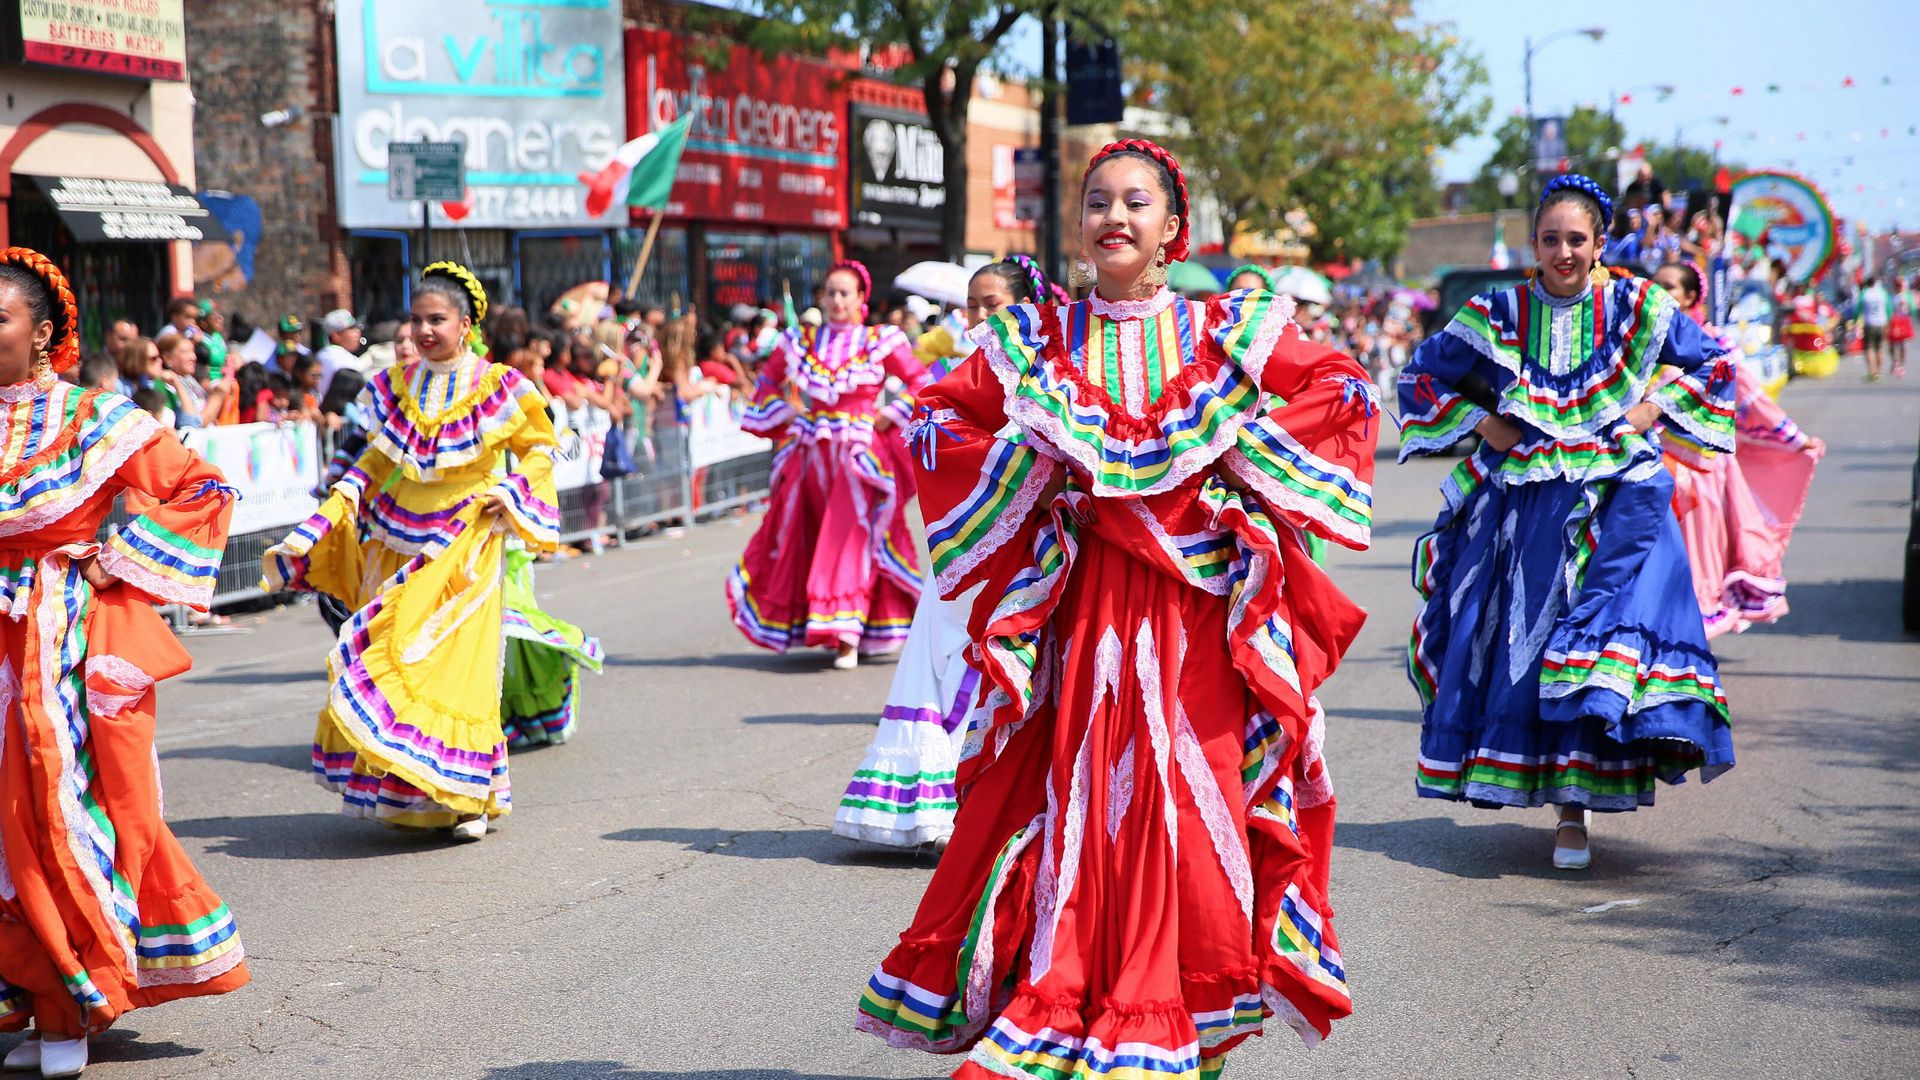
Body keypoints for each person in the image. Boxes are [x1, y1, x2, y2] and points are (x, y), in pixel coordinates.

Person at [857, 140, 1377, 1074]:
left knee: (1201, 799)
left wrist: (1236, 461)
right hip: (1087, 614)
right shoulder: (1036, 339)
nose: (1115, 218)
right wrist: (1038, 468)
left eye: (1137, 203)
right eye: (1098, 202)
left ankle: (1194, 1027)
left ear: (1173, 228)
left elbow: (1338, 386)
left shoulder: (1226, 330)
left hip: (1198, 621)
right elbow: (938, 420)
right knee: (1089, 814)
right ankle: (1089, 1012)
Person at [1396, 174, 1736, 872]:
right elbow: (1419, 374)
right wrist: (1480, 420)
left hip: (1613, 505)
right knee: (1524, 650)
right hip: (1525, 509)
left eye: (1576, 239)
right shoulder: (1499, 310)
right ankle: (1559, 805)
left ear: (1600, 244)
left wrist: (1649, 411)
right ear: (1534, 245)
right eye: (1550, 239)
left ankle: (1575, 810)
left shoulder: (1636, 306)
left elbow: (1716, 364)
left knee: (1594, 652)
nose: (1563, 252)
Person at [0, 247, 248, 1076]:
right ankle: (32, 994)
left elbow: (201, 486)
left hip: (59, 644)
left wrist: (120, 558)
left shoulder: (91, 417)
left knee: (49, 814)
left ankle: (70, 999)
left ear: (40, 334)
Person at [262, 262, 574, 842]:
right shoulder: (394, 385)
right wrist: (344, 495)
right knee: (397, 653)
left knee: (461, 669)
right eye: (418, 319)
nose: (426, 330)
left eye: (438, 320)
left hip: (466, 543)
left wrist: (511, 489)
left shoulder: (500, 386)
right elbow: (379, 457)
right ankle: (417, 791)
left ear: (465, 323)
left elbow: (540, 448)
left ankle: (472, 796)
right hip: (397, 542)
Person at [832, 258, 1050, 850]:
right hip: (956, 537)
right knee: (937, 656)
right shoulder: (961, 360)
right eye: (971, 305)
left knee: (994, 664)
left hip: (1016, 539)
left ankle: (988, 808)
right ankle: (928, 810)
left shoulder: (1046, 363)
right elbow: (922, 409)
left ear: (1024, 304)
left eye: (991, 304)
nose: (977, 316)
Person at [727, 260, 931, 670]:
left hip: (860, 457)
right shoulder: (798, 341)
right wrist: (790, 415)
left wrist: (892, 414)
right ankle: (844, 625)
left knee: (850, 539)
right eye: (830, 292)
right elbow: (766, 384)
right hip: (812, 458)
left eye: (845, 293)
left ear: (860, 299)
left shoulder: (880, 340)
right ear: (821, 297)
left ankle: (846, 635)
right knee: (810, 538)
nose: (837, 300)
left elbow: (922, 383)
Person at [1653, 263, 1825, 638]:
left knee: (1698, 560)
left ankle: (1691, 652)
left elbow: (1749, 397)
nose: (1659, 293)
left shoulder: (1713, 343)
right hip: (1649, 470)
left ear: (1691, 297)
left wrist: (1795, 439)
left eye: (1668, 287)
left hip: (1700, 473)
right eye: (1655, 285)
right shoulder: (1639, 343)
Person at [316, 308, 366, 401]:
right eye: (351, 329)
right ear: (336, 336)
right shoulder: (343, 358)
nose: (357, 332)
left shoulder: (320, 355)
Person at [1858, 276, 1889, 382]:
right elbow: (1889, 308)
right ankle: (1879, 372)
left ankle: (1872, 372)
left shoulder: (1864, 294)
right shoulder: (1882, 293)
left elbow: (1858, 310)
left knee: (1869, 348)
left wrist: (1855, 320)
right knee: (1880, 347)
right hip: (1881, 323)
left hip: (1869, 324)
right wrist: (1888, 321)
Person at [1890, 276, 1914, 378]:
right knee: (1893, 344)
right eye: (1897, 285)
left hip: (1904, 322)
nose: (1899, 287)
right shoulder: (1892, 297)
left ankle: (1902, 365)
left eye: (1900, 285)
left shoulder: (1907, 296)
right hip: (1895, 322)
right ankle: (1895, 362)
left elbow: (1912, 308)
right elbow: (1889, 309)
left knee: (1903, 345)